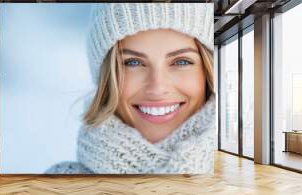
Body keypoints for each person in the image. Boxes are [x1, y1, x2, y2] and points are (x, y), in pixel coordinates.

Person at [46, 3, 215, 174]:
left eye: (181, 61)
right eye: (132, 62)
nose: (157, 88)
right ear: (106, 79)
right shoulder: (57, 188)